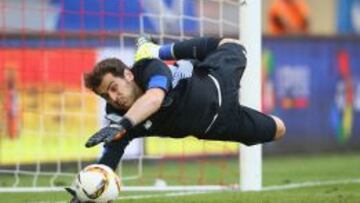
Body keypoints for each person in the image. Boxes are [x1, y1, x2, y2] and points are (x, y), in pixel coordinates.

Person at [66, 36, 286, 202]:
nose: (113, 98)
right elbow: (112, 152)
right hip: (219, 126)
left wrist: (123, 124)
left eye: (113, 88)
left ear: (128, 75)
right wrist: (89, 189)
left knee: (232, 44)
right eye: (106, 95)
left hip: (217, 79)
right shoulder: (117, 114)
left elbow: (154, 99)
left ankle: (156, 48)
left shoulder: (148, 68)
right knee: (278, 129)